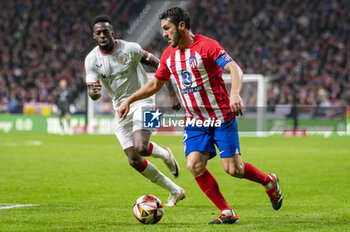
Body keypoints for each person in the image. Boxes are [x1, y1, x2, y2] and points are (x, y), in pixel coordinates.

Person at [118, 7, 283, 224]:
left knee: (233, 169)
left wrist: (234, 94)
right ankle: (226, 211)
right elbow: (155, 84)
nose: (164, 34)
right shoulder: (169, 55)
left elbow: (235, 69)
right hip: (195, 120)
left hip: (221, 117)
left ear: (181, 26)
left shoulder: (207, 46)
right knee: (194, 165)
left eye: (167, 29)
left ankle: (268, 181)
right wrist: (130, 100)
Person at [85, 15, 185, 206]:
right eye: (99, 33)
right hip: (121, 108)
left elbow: (159, 64)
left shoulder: (130, 49)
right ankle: (175, 190)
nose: (103, 35)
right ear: (94, 36)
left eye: (106, 31)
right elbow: (93, 93)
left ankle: (164, 154)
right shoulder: (91, 60)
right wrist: (94, 93)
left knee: (141, 146)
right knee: (134, 160)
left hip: (146, 101)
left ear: (112, 32)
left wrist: (172, 93)